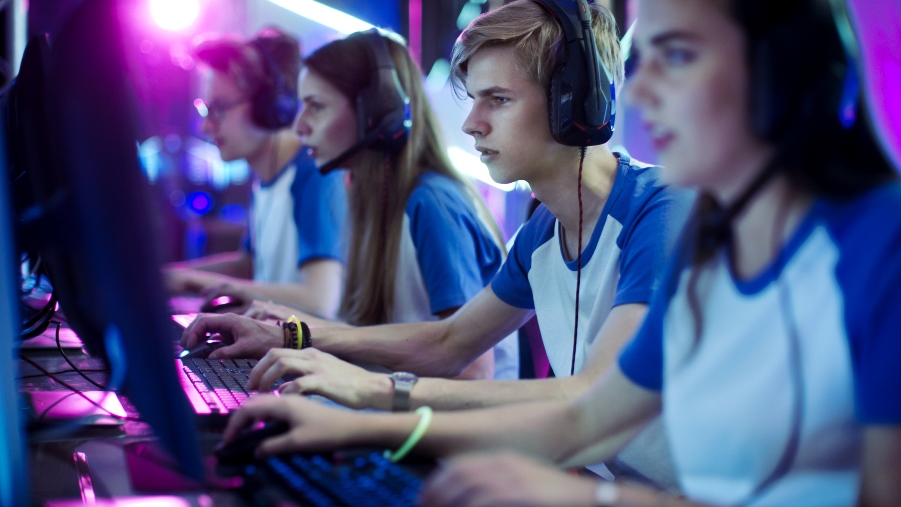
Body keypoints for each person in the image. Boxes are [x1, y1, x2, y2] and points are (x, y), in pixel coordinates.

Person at [218, 0, 901, 505]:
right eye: (643, 60)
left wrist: (590, 498)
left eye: (680, 56)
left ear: (779, 77)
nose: (639, 91)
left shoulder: (870, 244)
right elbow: (583, 419)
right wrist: (372, 420)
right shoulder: (713, 235)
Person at [186, 0, 688, 488]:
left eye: (499, 99)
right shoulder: (541, 232)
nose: (472, 122)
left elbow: (593, 393)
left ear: (573, 100)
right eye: (474, 99)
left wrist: (372, 395)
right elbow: (449, 342)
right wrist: (291, 337)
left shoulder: (662, 210)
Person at [187, 28, 520, 380]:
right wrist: (279, 325)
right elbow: (373, 336)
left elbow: (472, 370)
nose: (299, 126)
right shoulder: (370, 198)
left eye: (316, 107)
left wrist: (294, 337)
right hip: (399, 414)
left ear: (377, 113)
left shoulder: (431, 204)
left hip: (445, 429)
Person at [164, 28, 347, 319]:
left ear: (270, 106)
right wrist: (170, 276)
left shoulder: (312, 173)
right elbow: (249, 265)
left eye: (219, 108)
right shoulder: (263, 177)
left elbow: (321, 299)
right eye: (205, 110)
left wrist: (191, 280)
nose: (206, 127)